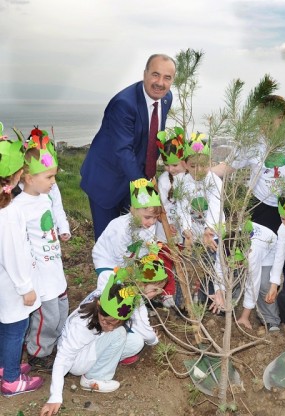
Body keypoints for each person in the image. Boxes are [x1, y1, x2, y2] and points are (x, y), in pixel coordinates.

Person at [80, 54, 176, 240]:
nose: (160, 83)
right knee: (109, 240)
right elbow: (123, 151)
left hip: (134, 177)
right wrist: (146, 191)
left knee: (134, 239)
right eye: (155, 75)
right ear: (144, 74)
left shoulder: (166, 98)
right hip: (107, 180)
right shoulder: (124, 104)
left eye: (167, 77)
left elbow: (153, 135)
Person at [39, 270, 143, 416]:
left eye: (116, 323)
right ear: (99, 308)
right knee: (119, 334)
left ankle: (103, 363)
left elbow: (108, 276)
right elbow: (63, 358)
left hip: (93, 344)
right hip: (78, 360)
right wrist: (55, 396)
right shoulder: (81, 325)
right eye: (106, 321)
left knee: (136, 342)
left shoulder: (107, 298)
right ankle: (93, 378)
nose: (109, 327)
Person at [211, 94, 285, 234]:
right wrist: (202, 172)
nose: (264, 126)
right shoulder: (251, 139)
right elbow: (228, 166)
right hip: (261, 204)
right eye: (261, 120)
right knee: (261, 242)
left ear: (281, 117)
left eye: (269, 121)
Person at [13, 128, 68, 371]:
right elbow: (18, 244)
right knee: (47, 315)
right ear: (28, 178)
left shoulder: (45, 198)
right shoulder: (18, 207)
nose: (53, 182)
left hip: (54, 265)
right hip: (40, 273)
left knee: (62, 308)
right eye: (49, 177)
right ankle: (38, 351)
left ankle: (57, 343)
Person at [0, 124, 44, 396]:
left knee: (4, 327)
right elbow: (13, 254)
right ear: (16, 176)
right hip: (12, 286)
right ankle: (11, 380)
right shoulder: (9, 213)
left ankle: (6, 365)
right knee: (16, 329)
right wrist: (25, 287)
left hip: (3, 284)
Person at [92, 178, 175, 307]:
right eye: (147, 217)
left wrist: (149, 258)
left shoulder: (149, 226)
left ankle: (134, 303)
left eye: (155, 218)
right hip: (108, 261)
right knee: (113, 286)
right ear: (133, 210)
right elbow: (120, 256)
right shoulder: (121, 228)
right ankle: (106, 305)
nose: (152, 222)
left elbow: (146, 248)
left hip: (130, 260)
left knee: (137, 284)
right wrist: (132, 275)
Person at [211, 221, 281, 331]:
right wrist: (219, 291)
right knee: (235, 276)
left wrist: (245, 317)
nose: (235, 266)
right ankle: (228, 306)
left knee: (263, 284)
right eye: (231, 262)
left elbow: (253, 284)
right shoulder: (223, 246)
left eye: (238, 263)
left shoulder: (253, 253)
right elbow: (219, 270)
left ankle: (270, 319)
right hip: (246, 251)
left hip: (269, 248)